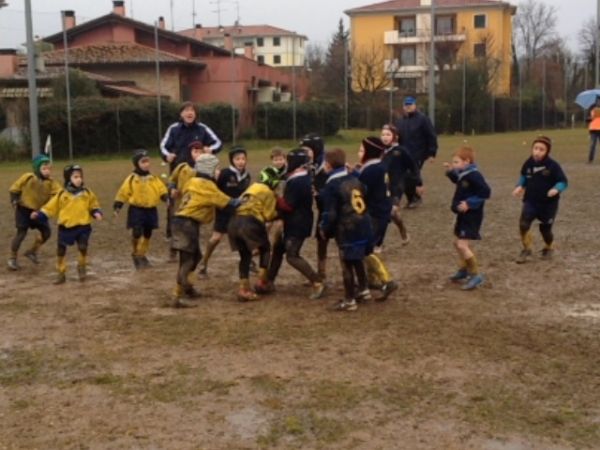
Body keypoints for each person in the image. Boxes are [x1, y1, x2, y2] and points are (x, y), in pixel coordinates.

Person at [170, 154, 237, 307]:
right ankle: (178, 292)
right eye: (216, 168)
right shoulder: (207, 185)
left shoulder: (192, 181)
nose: (218, 171)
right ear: (210, 169)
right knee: (188, 261)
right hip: (188, 223)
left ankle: (185, 289)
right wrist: (246, 199)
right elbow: (226, 202)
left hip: (179, 221)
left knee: (193, 257)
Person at [263, 149, 325, 299]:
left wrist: (275, 197)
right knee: (278, 250)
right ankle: (269, 281)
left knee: (292, 255)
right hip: (296, 220)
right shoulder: (301, 177)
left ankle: (317, 281)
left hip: (298, 223)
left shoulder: (298, 181)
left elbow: (288, 205)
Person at [319, 148, 373, 311]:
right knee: (358, 259)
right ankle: (364, 289)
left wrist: (324, 228)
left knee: (346, 262)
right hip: (363, 222)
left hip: (347, 228)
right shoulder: (354, 178)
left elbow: (331, 213)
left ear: (328, 165)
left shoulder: (332, 185)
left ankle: (349, 299)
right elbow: (366, 192)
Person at [31, 165, 103, 284]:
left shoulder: (87, 193)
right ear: (68, 179)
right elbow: (50, 208)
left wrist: (96, 212)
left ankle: (81, 266)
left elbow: (93, 205)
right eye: (75, 177)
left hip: (83, 226)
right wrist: (39, 214)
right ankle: (61, 273)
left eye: (80, 176)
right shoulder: (61, 194)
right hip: (65, 228)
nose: (79, 179)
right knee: (61, 251)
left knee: (83, 247)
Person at [512, 136, 568, 264]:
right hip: (531, 201)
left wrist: (556, 189)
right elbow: (524, 177)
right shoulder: (528, 163)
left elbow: (563, 181)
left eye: (541, 149)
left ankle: (549, 247)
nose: (537, 152)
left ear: (547, 151)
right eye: (535, 148)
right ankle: (527, 249)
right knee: (523, 224)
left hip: (548, 204)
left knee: (545, 230)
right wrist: (519, 186)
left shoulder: (553, 166)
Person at [228, 167, 280, 302]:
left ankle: (243, 289)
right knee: (265, 249)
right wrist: (279, 212)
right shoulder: (268, 191)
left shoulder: (252, 187)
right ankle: (262, 282)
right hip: (250, 222)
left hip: (234, 222)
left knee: (245, 256)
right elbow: (268, 215)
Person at [198, 146, 251, 275]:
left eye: (243, 158)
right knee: (216, 238)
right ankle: (204, 262)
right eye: (237, 159)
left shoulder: (246, 175)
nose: (241, 161)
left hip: (239, 212)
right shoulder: (224, 173)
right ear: (232, 160)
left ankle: (249, 262)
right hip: (223, 211)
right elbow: (213, 188)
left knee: (244, 238)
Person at [356, 137, 398, 300]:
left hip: (373, 215)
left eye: (361, 149)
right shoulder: (380, 167)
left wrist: (352, 175)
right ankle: (371, 279)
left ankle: (387, 280)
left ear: (368, 151)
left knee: (364, 250)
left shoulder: (370, 170)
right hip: (382, 213)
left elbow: (360, 190)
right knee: (370, 247)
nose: (359, 152)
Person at [445, 146, 491, 290]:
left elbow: (486, 192)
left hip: (472, 215)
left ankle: (475, 275)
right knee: (456, 242)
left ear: (467, 161)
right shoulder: (464, 173)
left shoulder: (474, 175)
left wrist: (470, 203)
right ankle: (464, 270)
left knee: (462, 245)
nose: (454, 164)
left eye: (456, 162)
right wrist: (451, 172)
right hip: (462, 215)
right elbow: (459, 181)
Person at [113, 149, 168, 269]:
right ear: (137, 164)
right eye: (143, 162)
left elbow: (161, 189)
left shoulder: (153, 178)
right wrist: (118, 205)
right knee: (137, 232)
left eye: (148, 161)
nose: (146, 164)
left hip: (151, 210)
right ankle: (135, 253)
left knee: (148, 233)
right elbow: (123, 192)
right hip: (136, 209)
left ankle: (142, 254)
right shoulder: (132, 178)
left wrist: (166, 198)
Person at [8, 154, 61, 270]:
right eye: (44, 168)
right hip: (24, 210)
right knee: (21, 233)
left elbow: (60, 194)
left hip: (39, 212)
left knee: (46, 233)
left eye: (49, 169)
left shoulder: (52, 183)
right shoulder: (28, 177)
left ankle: (32, 251)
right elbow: (14, 188)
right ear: (37, 169)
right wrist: (14, 199)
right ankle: (12, 258)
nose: (47, 171)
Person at [394, 96, 438, 208]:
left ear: (415, 105)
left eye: (410, 104)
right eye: (406, 105)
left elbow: (431, 136)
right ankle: (411, 198)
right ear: (403, 106)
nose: (408, 107)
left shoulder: (423, 119)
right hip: (403, 154)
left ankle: (415, 198)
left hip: (417, 154)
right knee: (403, 176)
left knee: (411, 175)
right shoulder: (400, 121)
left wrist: (432, 153)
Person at [380, 123, 420, 244]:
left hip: (396, 186)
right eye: (383, 134)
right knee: (387, 214)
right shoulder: (380, 151)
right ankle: (379, 241)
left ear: (395, 136)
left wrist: (418, 183)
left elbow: (413, 166)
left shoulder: (400, 151)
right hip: (381, 185)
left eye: (388, 134)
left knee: (390, 212)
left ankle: (399, 232)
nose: (385, 137)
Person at [167, 141, 205, 261]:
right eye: (195, 151)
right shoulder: (182, 167)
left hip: (196, 204)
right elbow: (172, 179)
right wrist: (172, 188)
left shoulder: (205, 169)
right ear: (190, 153)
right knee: (177, 227)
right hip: (180, 203)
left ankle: (194, 251)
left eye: (200, 152)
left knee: (194, 228)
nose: (198, 154)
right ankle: (173, 251)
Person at [160, 101, 222, 171]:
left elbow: (218, 143)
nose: (190, 112)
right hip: (178, 170)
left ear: (195, 114)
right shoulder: (173, 129)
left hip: (199, 171)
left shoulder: (203, 128)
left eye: (192, 110)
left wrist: (211, 150)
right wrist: (167, 156)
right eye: (186, 110)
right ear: (181, 114)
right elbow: (163, 147)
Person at [301, 133, 329, 281]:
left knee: (343, 243)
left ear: (316, 149)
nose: (305, 153)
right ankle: (321, 272)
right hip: (322, 209)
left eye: (308, 150)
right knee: (321, 240)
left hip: (333, 209)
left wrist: (319, 193)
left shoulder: (326, 164)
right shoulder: (309, 164)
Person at [588, 98, 600, 163]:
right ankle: (590, 159)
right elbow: (591, 118)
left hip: (596, 129)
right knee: (592, 145)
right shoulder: (593, 110)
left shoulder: (593, 110)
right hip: (594, 129)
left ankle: (590, 159)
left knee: (592, 145)